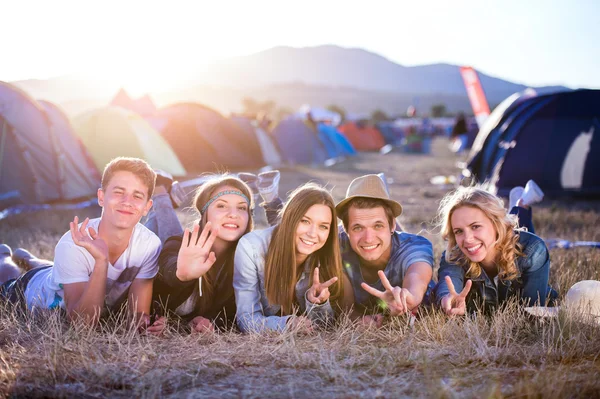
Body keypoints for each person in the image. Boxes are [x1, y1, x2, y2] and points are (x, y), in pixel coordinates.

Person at [0, 157, 164, 333]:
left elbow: (137, 316)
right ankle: (4, 256)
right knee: (8, 280)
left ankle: (28, 258)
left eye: (137, 195)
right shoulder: (74, 242)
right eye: (118, 192)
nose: (127, 201)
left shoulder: (149, 245)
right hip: (32, 290)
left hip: (59, 273)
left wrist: (148, 325)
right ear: (101, 197)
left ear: (147, 206)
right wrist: (101, 262)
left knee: (54, 269)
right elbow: (82, 325)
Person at [148, 171, 282, 333]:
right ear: (205, 213)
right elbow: (166, 267)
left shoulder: (249, 259)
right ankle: (160, 192)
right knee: (158, 234)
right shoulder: (178, 244)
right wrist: (181, 275)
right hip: (167, 246)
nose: (233, 214)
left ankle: (163, 196)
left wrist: (208, 322)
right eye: (221, 205)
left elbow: (284, 242)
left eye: (241, 208)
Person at [233, 183, 344, 333]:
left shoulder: (325, 254)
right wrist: (287, 324)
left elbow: (326, 328)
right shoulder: (251, 247)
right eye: (305, 221)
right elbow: (246, 320)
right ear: (291, 218)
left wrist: (318, 303)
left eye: (323, 226)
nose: (313, 233)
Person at [434, 184, 555, 316]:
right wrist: (447, 299)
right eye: (458, 231)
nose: (467, 239)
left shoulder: (533, 250)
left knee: (522, 241)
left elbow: (532, 313)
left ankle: (521, 205)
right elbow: (449, 282)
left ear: (496, 224)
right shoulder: (455, 254)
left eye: (475, 226)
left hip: (514, 240)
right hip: (502, 232)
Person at [335, 174, 434, 327]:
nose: (368, 238)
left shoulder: (414, 246)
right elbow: (346, 312)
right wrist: (357, 320)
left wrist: (409, 297)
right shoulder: (337, 248)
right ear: (345, 229)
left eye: (378, 226)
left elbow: (417, 275)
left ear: (393, 225)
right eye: (358, 228)